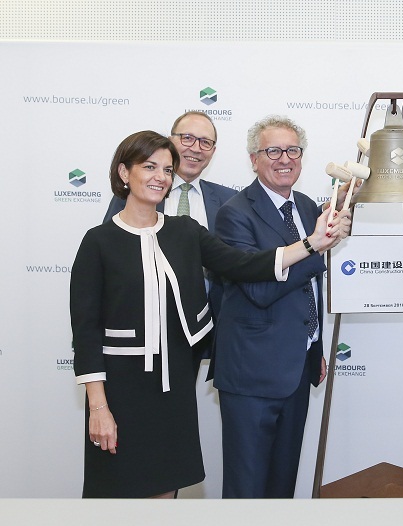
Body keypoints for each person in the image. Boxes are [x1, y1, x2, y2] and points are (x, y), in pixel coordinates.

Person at [71, 131, 350, 498]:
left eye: (167, 170)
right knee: (115, 498)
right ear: (125, 173)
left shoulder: (185, 231)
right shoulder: (98, 241)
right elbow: (86, 333)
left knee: (165, 490)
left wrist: (312, 244)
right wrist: (98, 407)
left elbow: (246, 265)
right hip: (121, 390)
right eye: (149, 167)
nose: (160, 177)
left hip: (173, 386)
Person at [213, 115, 337, 498]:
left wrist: (313, 346)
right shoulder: (235, 213)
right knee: (247, 491)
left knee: (283, 490)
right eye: (273, 151)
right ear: (254, 159)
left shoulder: (306, 206)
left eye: (293, 150)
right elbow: (259, 290)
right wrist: (316, 249)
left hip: (297, 368)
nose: (285, 159)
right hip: (252, 375)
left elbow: (308, 292)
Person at [103, 111, 237, 320]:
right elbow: (110, 257)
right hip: (144, 317)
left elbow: (238, 262)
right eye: (187, 138)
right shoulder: (136, 193)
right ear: (170, 141)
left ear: (213, 151)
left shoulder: (229, 200)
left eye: (205, 142)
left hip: (211, 322)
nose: (196, 148)